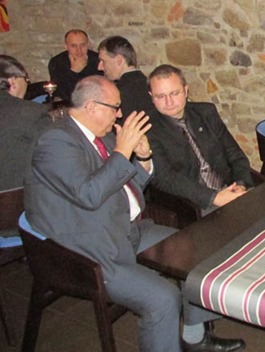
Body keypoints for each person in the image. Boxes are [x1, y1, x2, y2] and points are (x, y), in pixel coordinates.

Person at [23, 76, 245, 352]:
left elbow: (127, 185)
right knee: (163, 299)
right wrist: (122, 150)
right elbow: (89, 195)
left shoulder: (101, 135)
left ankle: (194, 337)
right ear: (92, 107)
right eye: (115, 107)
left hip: (125, 227)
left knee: (194, 254)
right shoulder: (56, 142)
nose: (119, 114)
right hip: (89, 248)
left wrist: (142, 158)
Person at [147, 64, 252, 212]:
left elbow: (234, 154)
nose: (169, 102)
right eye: (160, 96)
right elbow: (165, 178)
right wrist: (213, 197)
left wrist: (240, 184)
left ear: (185, 91)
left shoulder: (206, 112)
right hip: (194, 204)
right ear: (151, 97)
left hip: (230, 187)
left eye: (174, 93)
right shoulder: (148, 129)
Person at [0, 55, 51, 190]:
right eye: (26, 79)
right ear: (13, 81)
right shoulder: (32, 112)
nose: (27, 84)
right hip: (16, 196)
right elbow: (51, 154)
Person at [97, 35, 155, 119]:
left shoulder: (119, 93)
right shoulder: (148, 84)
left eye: (103, 61)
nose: (99, 67)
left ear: (119, 60)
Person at [48, 29, 102, 104]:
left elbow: (98, 90)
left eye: (82, 45)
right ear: (66, 46)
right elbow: (62, 93)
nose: (79, 50)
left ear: (88, 45)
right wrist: (74, 71)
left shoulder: (98, 60)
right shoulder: (57, 62)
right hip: (66, 104)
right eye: (73, 46)